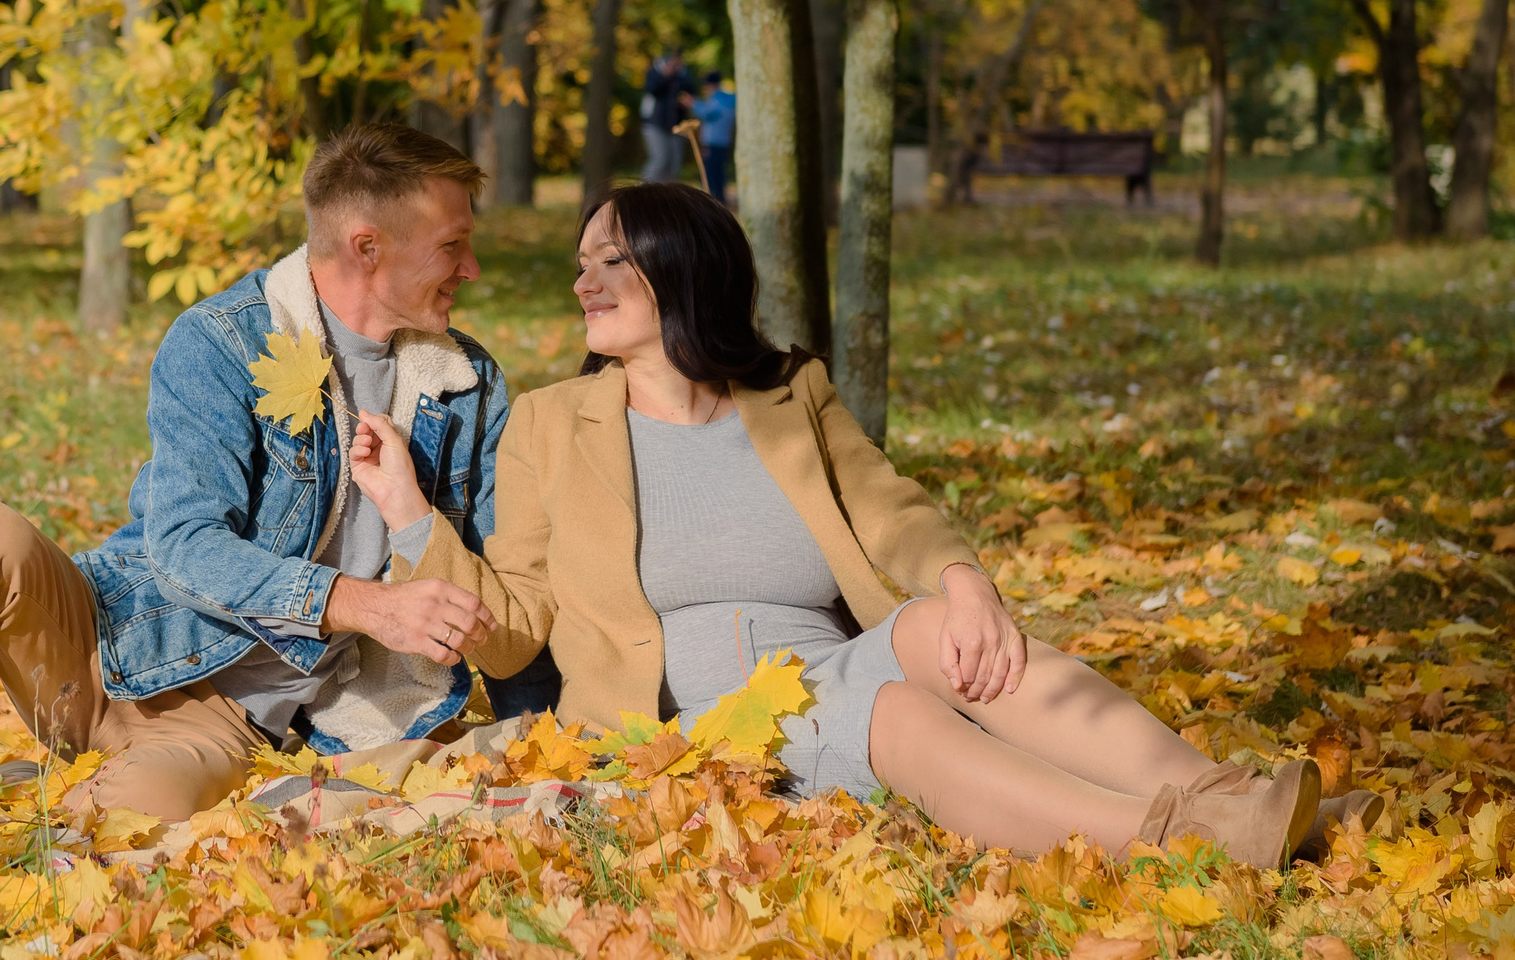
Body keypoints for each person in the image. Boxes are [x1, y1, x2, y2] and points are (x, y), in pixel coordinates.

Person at [348, 184, 1374, 866]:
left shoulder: (790, 395)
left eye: (609, 258)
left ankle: (1224, 796)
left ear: (681, 267)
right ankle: (1173, 842)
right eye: (581, 260)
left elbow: (894, 512)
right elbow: (517, 620)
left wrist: (967, 582)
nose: (581, 280)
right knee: (897, 712)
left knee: (936, 631)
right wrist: (408, 513)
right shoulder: (548, 424)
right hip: (696, 723)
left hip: (831, 665)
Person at [0, 123, 551, 820]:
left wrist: (547, 731)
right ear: (366, 245)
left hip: (225, 718)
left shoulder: (465, 385)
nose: (472, 268)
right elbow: (183, 544)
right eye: (453, 244)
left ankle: (33, 807)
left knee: (134, 814)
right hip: (110, 636)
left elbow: (498, 590)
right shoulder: (223, 340)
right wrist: (364, 604)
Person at [639, 54, 692, 183]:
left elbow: (691, 90)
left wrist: (680, 73)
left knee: (674, 165)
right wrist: (666, 74)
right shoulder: (655, 74)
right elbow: (652, 88)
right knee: (660, 159)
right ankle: (643, 190)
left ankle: (667, 196)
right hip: (655, 125)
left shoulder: (682, 77)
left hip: (676, 127)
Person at [695, 70, 737, 202]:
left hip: (712, 141)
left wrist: (693, 103)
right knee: (719, 173)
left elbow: (705, 113)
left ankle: (712, 201)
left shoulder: (716, 100)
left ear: (710, 85)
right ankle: (719, 199)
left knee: (711, 174)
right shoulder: (729, 99)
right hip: (724, 141)